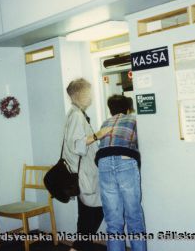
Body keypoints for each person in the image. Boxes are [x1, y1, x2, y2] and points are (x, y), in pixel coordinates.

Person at [63, 78, 112, 251]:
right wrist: (99, 134)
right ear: (79, 95)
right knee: (94, 209)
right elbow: (77, 145)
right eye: (88, 93)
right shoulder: (76, 115)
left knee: (86, 212)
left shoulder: (75, 113)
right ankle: (78, 247)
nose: (91, 97)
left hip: (85, 172)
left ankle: (78, 246)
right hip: (84, 173)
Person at [95, 95, 147, 251]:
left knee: (113, 221)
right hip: (125, 161)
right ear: (127, 109)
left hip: (103, 162)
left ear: (111, 110)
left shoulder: (106, 122)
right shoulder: (133, 120)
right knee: (134, 218)